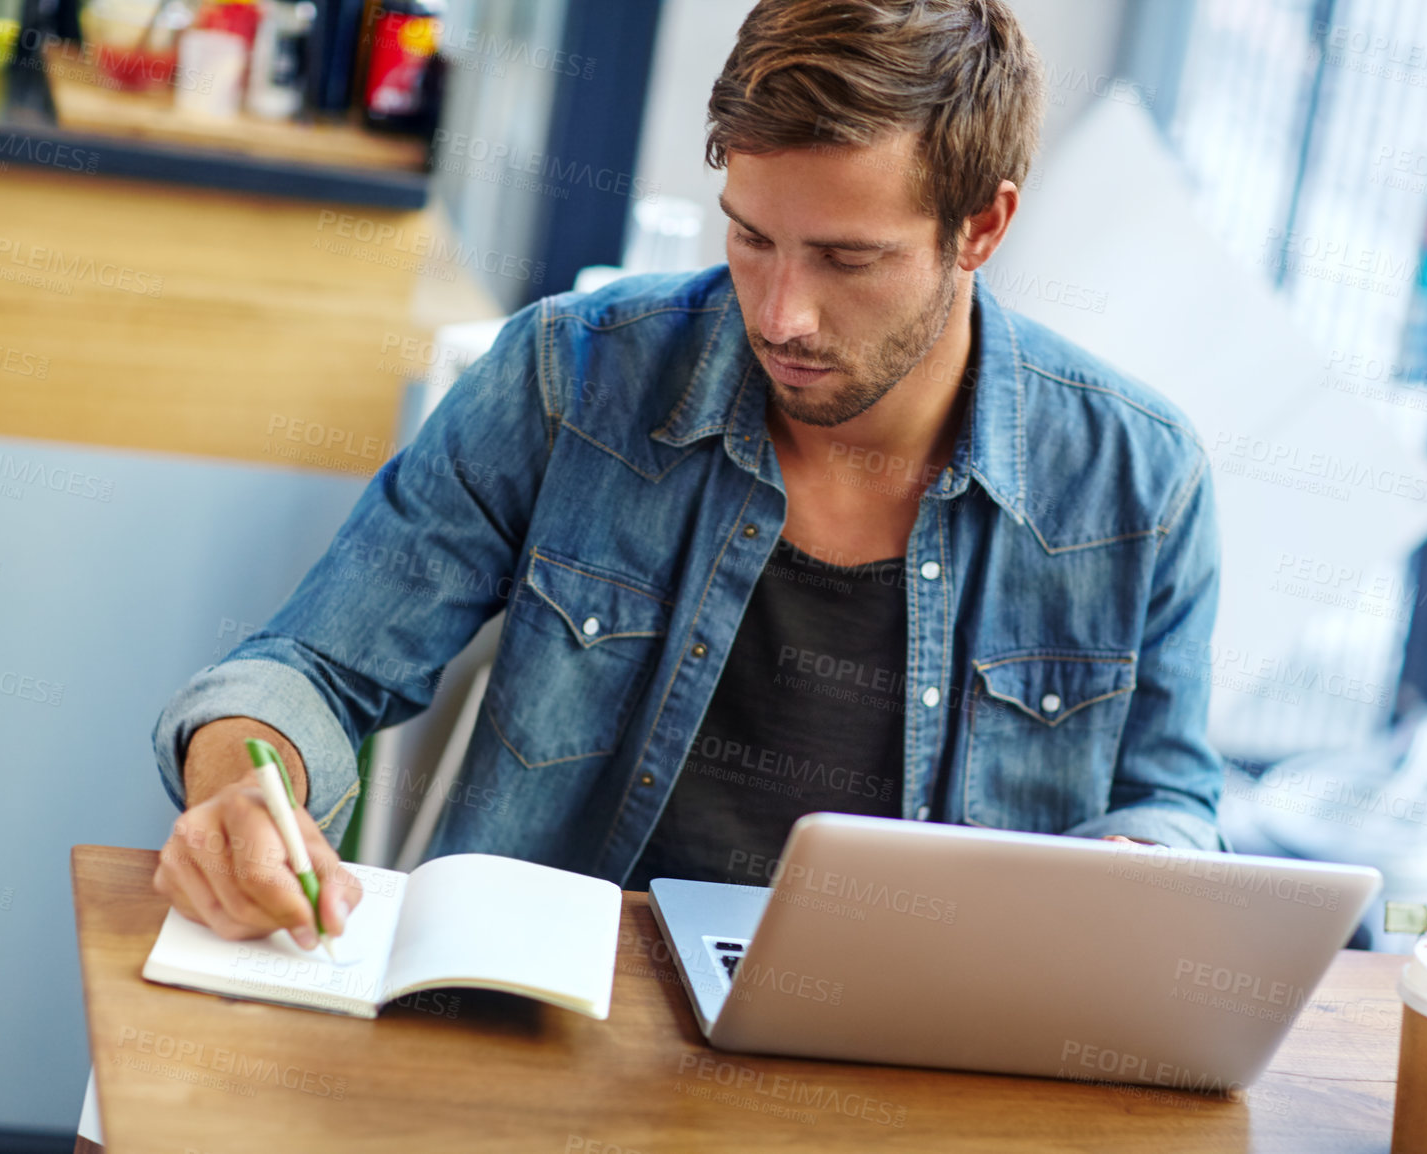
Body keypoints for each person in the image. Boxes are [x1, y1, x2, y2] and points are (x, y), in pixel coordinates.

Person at [150, 0, 1226, 950]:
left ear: (981, 225)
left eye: (845, 258)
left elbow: (1167, 798)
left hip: (925, 1067)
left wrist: (1141, 864)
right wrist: (248, 782)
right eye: (751, 238)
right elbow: (309, 667)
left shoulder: (1137, 479)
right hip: (557, 1032)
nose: (781, 313)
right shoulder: (568, 378)